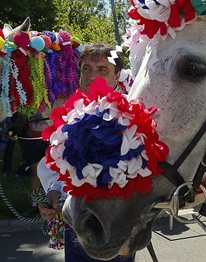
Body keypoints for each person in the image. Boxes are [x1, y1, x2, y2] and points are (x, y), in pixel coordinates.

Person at [37, 43, 134, 262]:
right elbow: (52, 166)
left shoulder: (131, 116)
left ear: (117, 76)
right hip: (77, 226)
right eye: (86, 68)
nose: (91, 76)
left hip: (117, 226)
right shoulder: (68, 114)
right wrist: (53, 195)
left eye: (102, 69)